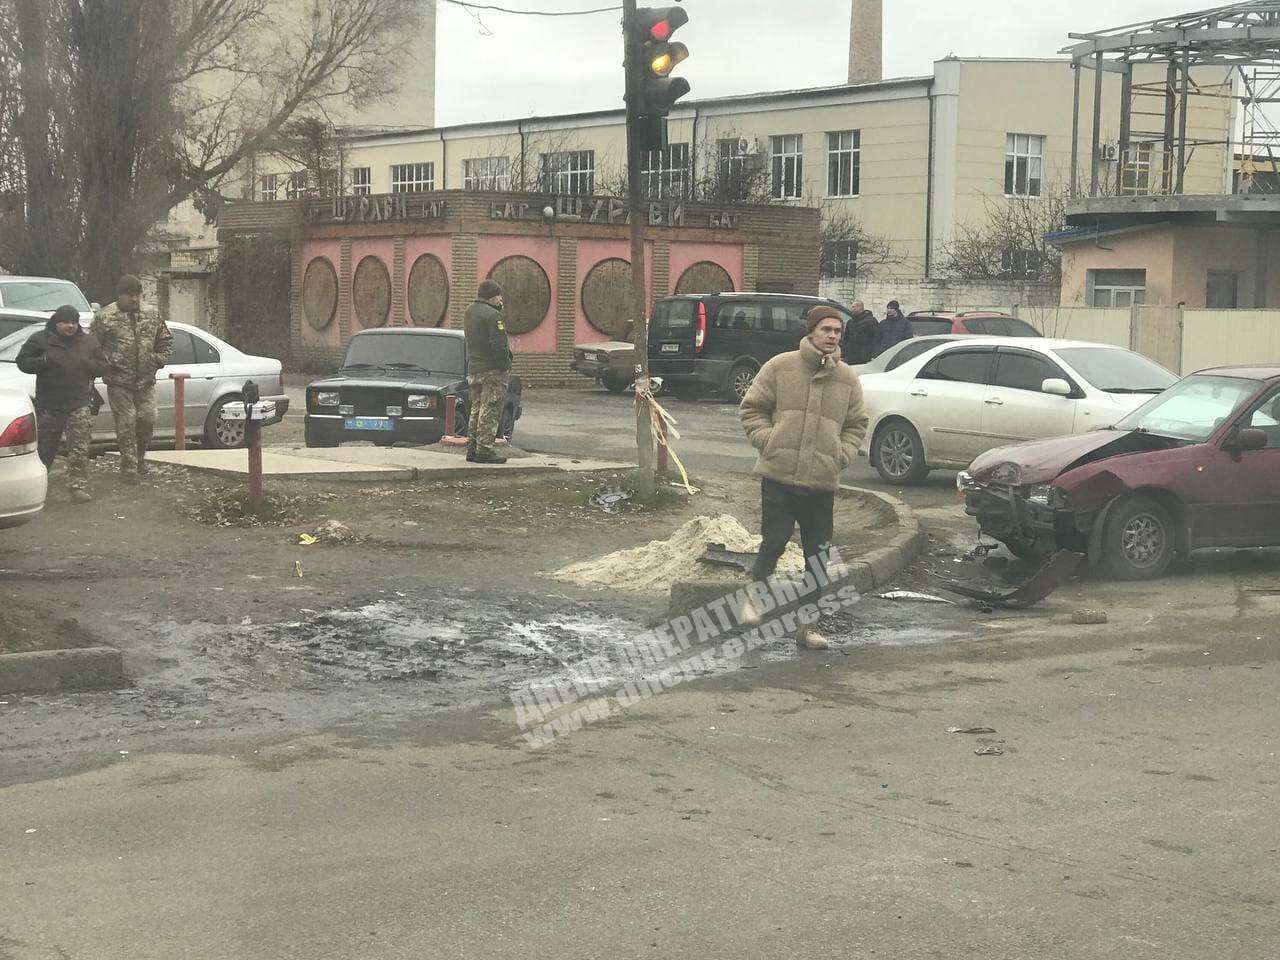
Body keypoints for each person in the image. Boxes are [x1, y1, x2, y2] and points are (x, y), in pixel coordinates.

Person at [739, 305, 869, 651]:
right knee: (774, 542)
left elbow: (857, 424)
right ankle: (754, 597)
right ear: (811, 332)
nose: (832, 336)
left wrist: (840, 456)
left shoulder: (847, 378)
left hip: (821, 482)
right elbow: (752, 409)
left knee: (818, 555)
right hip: (779, 476)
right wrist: (770, 442)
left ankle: (808, 626)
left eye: (837, 331)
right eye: (826, 329)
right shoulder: (781, 367)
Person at [16, 305, 106, 503]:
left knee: (79, 447)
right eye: (65, 322)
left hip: (79, 402)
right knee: (45, 447)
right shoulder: (40, 339)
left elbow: (103, 365)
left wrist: (90, 366)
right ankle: (39, 485)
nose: (70, 326)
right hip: (50, 404)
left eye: (74, 322)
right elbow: (22, 362)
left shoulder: (88, 342)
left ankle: (78, 486)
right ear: (56, 323)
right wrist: (43, 361)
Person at [91, 275, 172, 483]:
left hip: (145, 381)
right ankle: (129, 468)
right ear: (120, 296)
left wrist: (157, 360)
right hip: (119, 381)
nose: (135, 299)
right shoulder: (105, 316)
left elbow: (165, 340)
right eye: (130, 295)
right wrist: (105, 364)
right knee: (126, 423)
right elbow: (91, 345)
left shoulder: (151, 314)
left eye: (137, 295)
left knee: (148, 418)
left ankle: (140, 457)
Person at [463, 279, 512, 465]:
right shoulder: (493, 316)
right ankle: (484, 450)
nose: (501, 299)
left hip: (474, 368)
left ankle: (472, 448)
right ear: (493, 296)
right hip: (492, 370)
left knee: (476, 408)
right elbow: (499, 345)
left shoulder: (470, 312)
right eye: (499, 295)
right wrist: (505, 365)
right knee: (490, 408)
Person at [841, 299, 879, 365]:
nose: (851, 309)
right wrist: (843, 354)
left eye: (853, 307)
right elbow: (846, 339)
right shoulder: (850, 322)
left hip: (864, 356)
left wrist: (873, 354)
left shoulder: (870, 321)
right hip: (851, 356)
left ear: (859, 307)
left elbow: (876, 338)